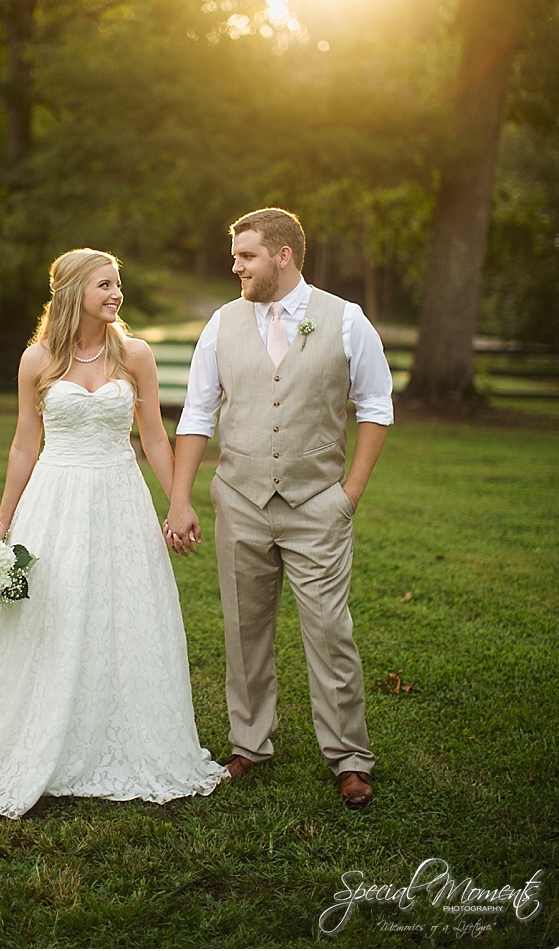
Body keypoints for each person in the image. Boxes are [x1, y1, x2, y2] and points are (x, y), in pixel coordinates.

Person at [0, 248, 227, 817]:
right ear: (74, 291)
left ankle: (122, 733)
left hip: (119, 495)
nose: (117, 294)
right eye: (105, 285)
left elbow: (153, 439)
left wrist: (177, 503)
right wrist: (2, 520)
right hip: (56, 498)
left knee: (123, 613)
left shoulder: (135, 354)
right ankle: (46, 738)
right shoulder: (37, 359)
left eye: (119, 284)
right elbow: (26, 443)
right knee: (57, 614)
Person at [164, 208, 393, 810]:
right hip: (239, 498)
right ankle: (249, 742)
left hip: (318, 502)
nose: (234, 265)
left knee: (328, 630)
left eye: (246, 255)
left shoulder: (346, 322)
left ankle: (348, 757)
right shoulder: (222, 323)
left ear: (284, 255)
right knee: (243, 629)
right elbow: (196, 414)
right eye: (235, 255)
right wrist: (182, 497)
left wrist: (350, 495)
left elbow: (375, 405)